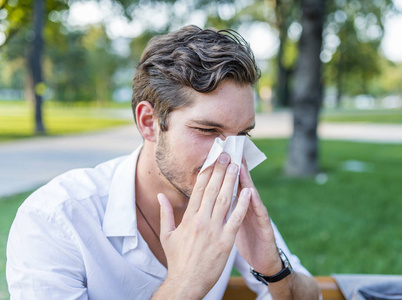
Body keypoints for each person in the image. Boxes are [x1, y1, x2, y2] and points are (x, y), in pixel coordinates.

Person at [6, 25, 319, 299]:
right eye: (208, 130)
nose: (228, 157)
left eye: (242, 135)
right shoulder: (55, 218)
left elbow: (309, 294)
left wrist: (273, 269)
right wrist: (184, 285)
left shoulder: (229, 204)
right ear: (148, 122)